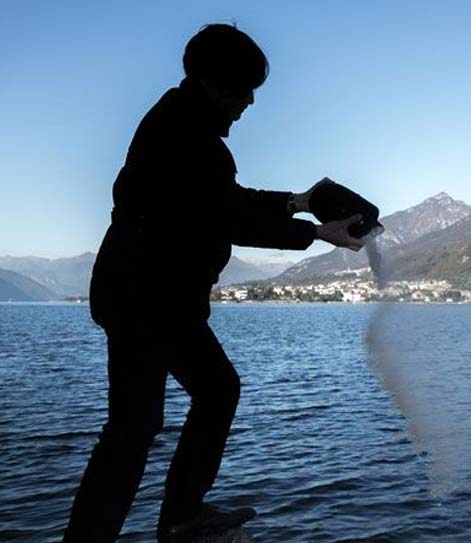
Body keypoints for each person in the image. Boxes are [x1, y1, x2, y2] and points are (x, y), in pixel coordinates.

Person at [62, 23, 364, 542]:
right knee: (136, 430)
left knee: (197, 400)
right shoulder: (182, 133)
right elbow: (228, 216)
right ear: (212, 82)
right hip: (145, 299)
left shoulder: (183, 125)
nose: (248, 102)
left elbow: (228, 198)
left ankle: (180, 516)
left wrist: (301, 201)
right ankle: (153, 524)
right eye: (243, 89)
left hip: (153, 298)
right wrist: (316, 233)